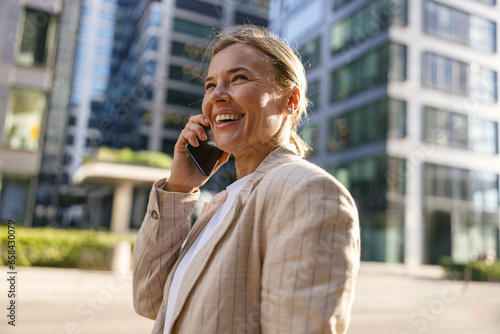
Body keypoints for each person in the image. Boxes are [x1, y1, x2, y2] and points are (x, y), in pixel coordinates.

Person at [133, 25, 361, 334]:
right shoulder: (219, 202)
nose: (217, 96)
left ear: (291, 100)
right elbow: (149, 299)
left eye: (238, 78)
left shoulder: (307, 191)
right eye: (210, 85)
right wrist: (179, 188)